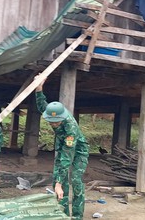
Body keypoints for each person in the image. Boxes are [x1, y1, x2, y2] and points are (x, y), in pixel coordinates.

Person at [35, 76, 89, 220]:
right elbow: (42, 106)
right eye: (50, 121)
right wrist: (39, 88)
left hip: (78, 151)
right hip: (63, 147)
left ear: (62, 118)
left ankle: (77, 216)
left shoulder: (70, 128)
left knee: (76, 181)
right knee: (58, 180)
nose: (53, 124)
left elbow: (67, 156)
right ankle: (63, 215)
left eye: (55, 122)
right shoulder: (53, 113)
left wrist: (59, 183)